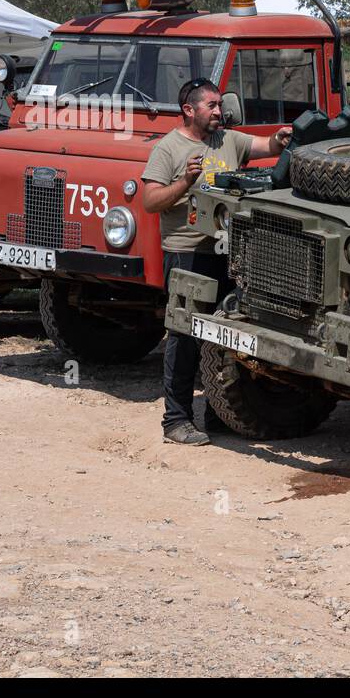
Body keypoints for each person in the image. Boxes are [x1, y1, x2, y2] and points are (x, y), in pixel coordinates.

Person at [141, 78, 290, 445]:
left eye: (220, 105)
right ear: (189, 110)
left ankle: (219, 414)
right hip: (187, 252)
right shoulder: (168, 149)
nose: (219, 112)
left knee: (225, 335)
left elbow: (265, 145)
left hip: (230, 254)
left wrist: (282, 138)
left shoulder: (229, 140)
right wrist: (185, 183)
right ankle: (175, 420)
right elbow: (150, 201)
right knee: (184, 336)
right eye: (211, 106)